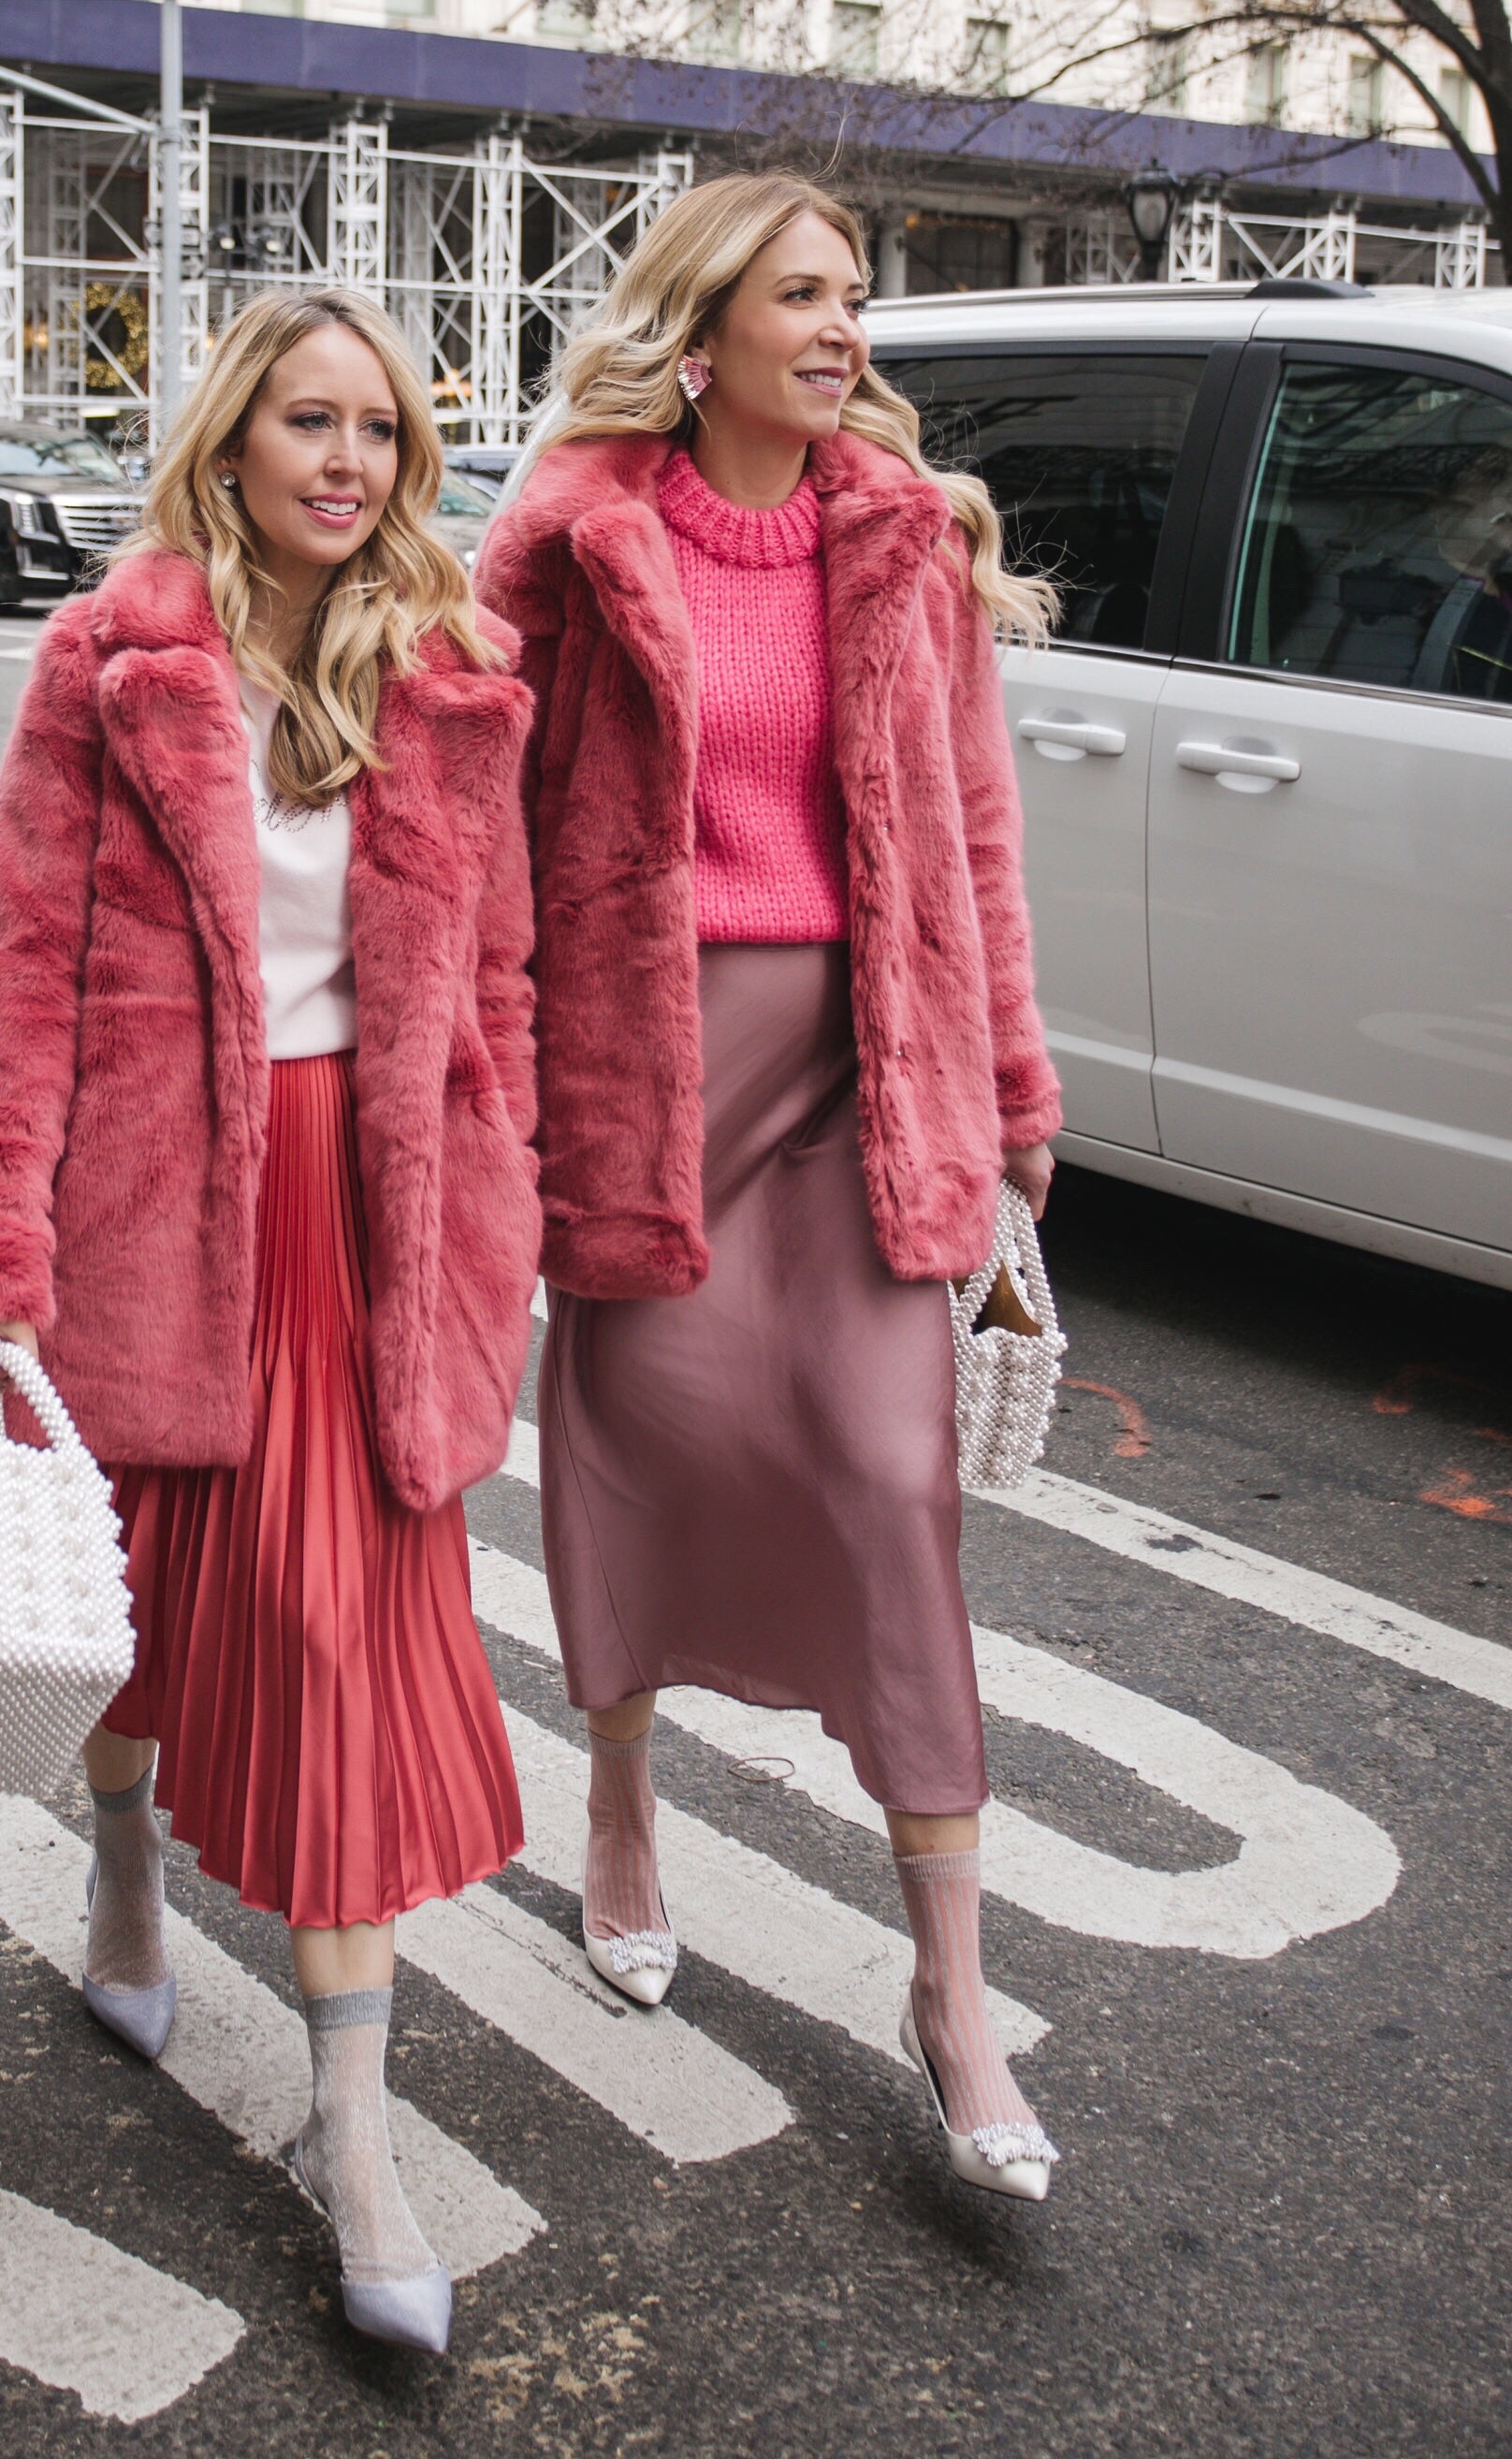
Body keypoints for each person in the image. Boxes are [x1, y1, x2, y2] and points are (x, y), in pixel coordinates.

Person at [0, 289, 542, 2351]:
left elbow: (499, 987)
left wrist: (502, 1187)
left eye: (381, 433)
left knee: (345, 1656)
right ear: (235, 441)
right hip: (165, 1213)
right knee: (137, 1622)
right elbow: (22, 974)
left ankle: (352, 2139)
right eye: (309, 424)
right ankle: (126, 1872)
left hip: (379, 1228)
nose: (347, 463)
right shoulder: (112, 663)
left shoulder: (448, 673)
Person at [476, 173, 1066, 2200]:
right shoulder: (568, 541)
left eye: (856, 300)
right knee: (636, 1448)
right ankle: (623, 1809)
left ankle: (952, 1986)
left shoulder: (906, 536)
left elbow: (973, 838)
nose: (844, 332)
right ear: (703, 324)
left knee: (891, 1478)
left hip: (863, 1074)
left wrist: (1011, 1101)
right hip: (644, 1074)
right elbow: (472, 828)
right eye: (803, 297)